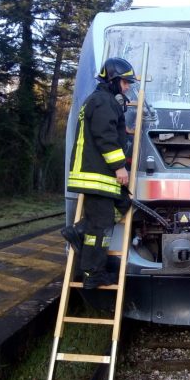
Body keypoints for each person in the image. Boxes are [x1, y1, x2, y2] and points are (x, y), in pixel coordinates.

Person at [63, 57, 137, 289]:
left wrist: (123, 130)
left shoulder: (98, 100)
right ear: (114, 80)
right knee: (101, 227)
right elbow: (105, 137)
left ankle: (78, 230)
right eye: (125, 83)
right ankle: (92, 273)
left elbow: (105, 128)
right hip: (98, 176)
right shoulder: (104, 102)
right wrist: (119, 167)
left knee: (123, 204)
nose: (127, 87)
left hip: (97, 175)